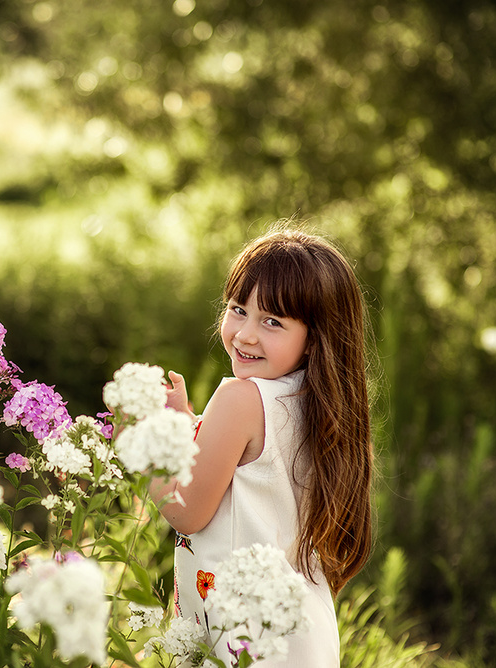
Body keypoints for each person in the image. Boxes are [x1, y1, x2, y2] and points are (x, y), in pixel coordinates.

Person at [150, 227, 374, 667]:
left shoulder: (240, 399)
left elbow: (186, 511)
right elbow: (248, 469)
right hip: (300, 637)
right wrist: (187, 426)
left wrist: (147, 444)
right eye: (238, 310)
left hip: (242, 641)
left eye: (272, 321)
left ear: (314, 338)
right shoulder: (323, 407)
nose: (245, 335)